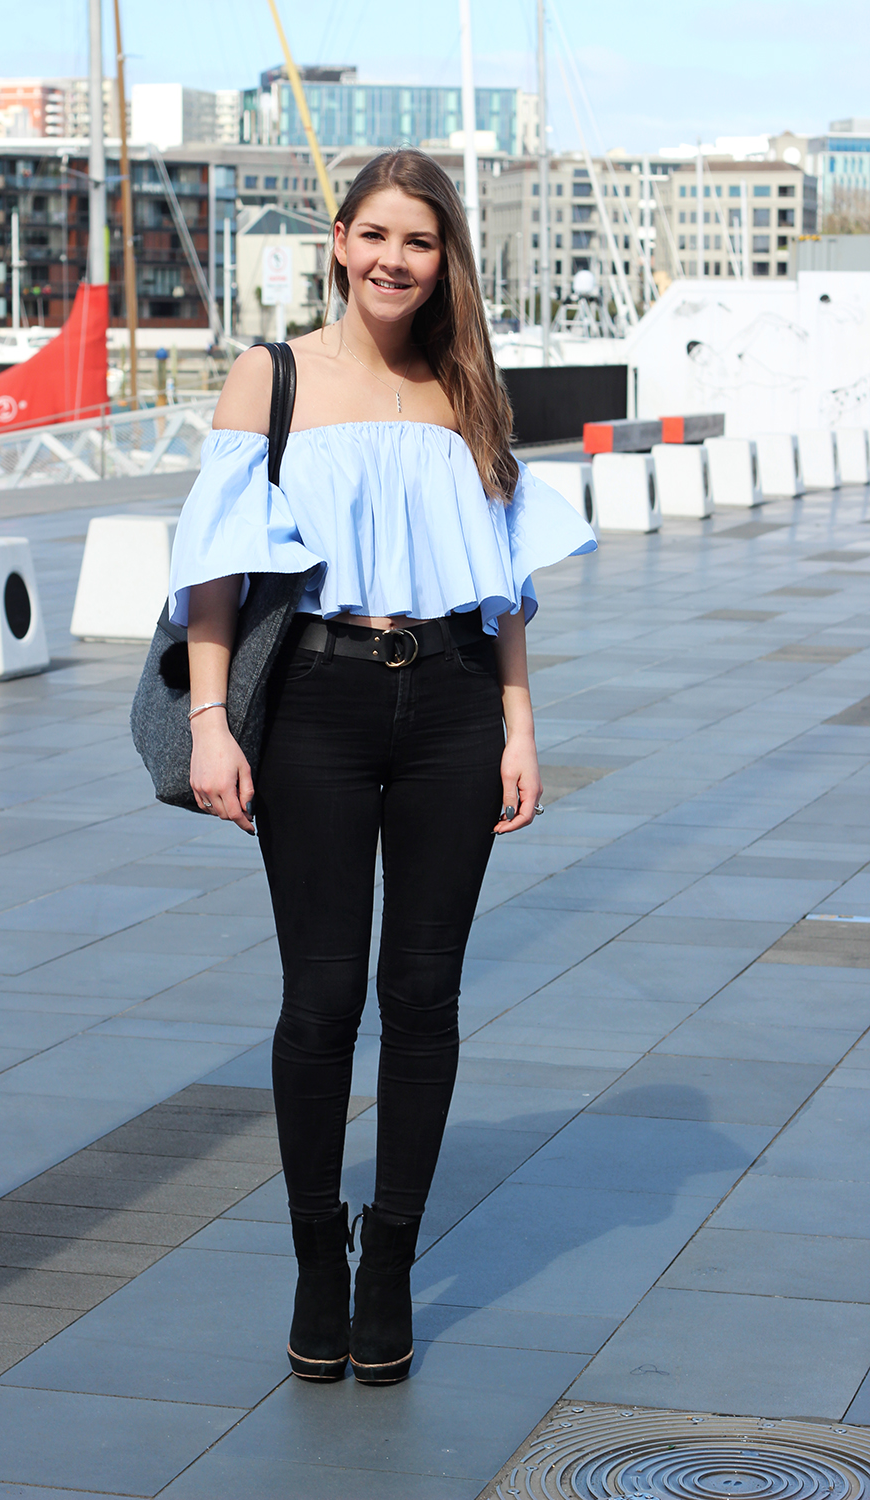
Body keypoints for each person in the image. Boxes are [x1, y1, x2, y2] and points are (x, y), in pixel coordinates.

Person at [168, 148, 596, 1386]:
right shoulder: (276, 373)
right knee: (320, 1001)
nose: (394, 261)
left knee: (423, 998)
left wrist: (519, 724)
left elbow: (503, 586)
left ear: (442, 258)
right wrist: (210, 722)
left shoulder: (467, 386)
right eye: (375, 236)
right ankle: (317, 1256)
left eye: (420, 242)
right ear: (339, 239)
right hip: (315, 700)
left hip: (456, 703)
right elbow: (217, 569)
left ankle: (392, 1258)